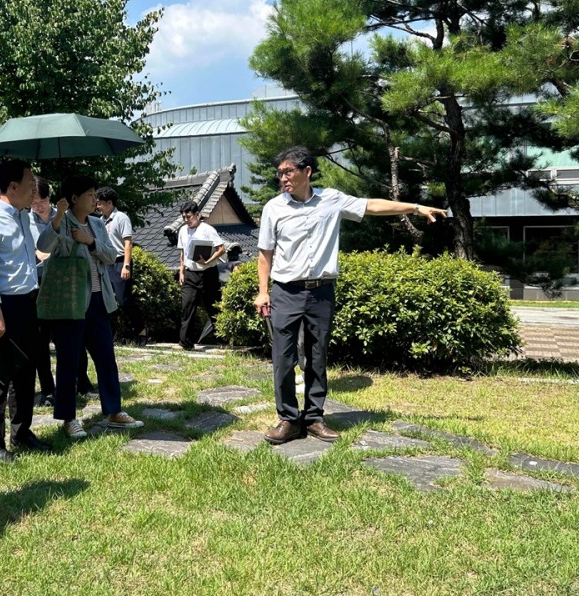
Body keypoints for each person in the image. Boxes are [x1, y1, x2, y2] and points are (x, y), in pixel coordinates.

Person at [253, 146, 447, 446]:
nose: (282, 178)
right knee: (283, 357)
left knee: (317, 356)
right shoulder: (273, 208)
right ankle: (289, 419)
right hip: (286, 291)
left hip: (321, 292)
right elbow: (265, 254)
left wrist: (415, 207)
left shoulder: (332, 200)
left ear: (307, 172)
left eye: (288, 172)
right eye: (280, 173)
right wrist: (263, 292)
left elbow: (372, 206)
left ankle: (315, 418)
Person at [46, 175, 144, 440]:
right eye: (90, 194)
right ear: (75, 198)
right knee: (68, 361)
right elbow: (44, 245)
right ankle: (68, 418)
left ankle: (113, 411)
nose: (95, 200)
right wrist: (59, 217)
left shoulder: (98, 224)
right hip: (71, 301)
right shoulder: (61, 220)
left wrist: (89, 241)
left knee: (105, 356)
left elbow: (112, 255)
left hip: (98, 299)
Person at [0, 159, 53, 462]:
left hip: (26, 304)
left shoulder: (22, 218)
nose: (34, 189)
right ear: (13, 186)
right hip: (1, 305)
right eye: (30, 182)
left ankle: (22, 432)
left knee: (25, 372)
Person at [95, 186, 148, 346]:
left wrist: (126, 265)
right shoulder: (100, 221)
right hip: (105, 262)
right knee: (104, 300)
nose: (98, 206)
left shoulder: (121, 218)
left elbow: (128, 242)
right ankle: (109, 334)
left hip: (119, 262)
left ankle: (141, 330)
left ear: (109, 203)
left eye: (100, 203)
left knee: (124, 300)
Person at [176, 200, 226, 351]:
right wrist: (181, 271)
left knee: (213, 306)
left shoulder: (208, 229)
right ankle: (185, 342)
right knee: (187, 306)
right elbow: (183, 252)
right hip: (190, 273)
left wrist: (208, 261)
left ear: (197, 214)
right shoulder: (182, 230)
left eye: (189, 217)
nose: (187, 220)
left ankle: (223, 338)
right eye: (184, 217)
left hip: (208, 272)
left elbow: (221, 249)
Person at [28, 177, 57, 406]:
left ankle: (80, 382)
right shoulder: (23, 220)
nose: (39, 206)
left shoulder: (61, 217)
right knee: (39, 341)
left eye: (42, 201)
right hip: (37, 285)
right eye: (34, 202)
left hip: (62, 283)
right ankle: (48, 389)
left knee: (66, 338)